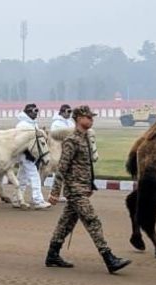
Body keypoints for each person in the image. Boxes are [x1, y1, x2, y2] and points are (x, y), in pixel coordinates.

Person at [46, 106, 132, 273]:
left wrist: (89, 185)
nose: (92, 120)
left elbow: (86, 167)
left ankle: (52, 254)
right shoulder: (72, 141)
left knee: (65, 224)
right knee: (93, 221)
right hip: (75, 190)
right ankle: (109, 258)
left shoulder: (84, 138)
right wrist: (55, 192)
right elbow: (62, 168)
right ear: (78, 118)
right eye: (88, 117)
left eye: (92, 117)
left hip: (80, 188)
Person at [14, 103, 50, 210]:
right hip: (26, 154)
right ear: (28, 112)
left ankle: (16, 199)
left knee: (22, 178)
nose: (36, 114)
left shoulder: (32, 124)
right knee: (35, 177)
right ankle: (38, 200)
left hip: (30, 155)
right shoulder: (23, 125)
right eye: (34, 111)